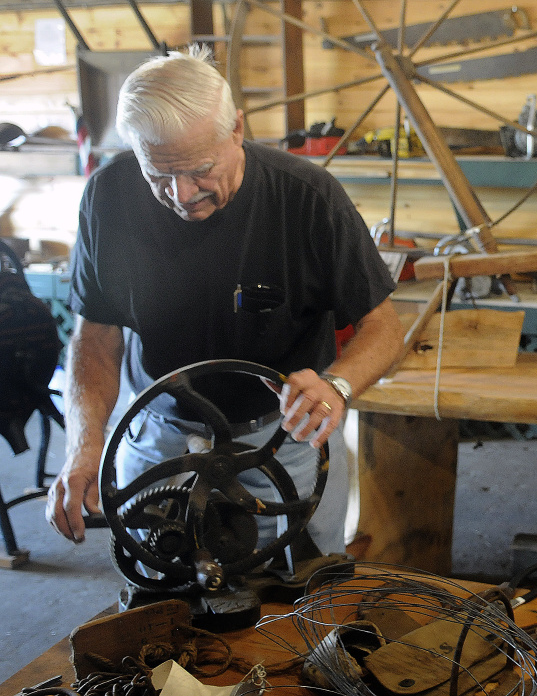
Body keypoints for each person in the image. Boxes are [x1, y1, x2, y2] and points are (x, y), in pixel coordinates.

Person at [46, 45, 405, 557]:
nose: (182, 194)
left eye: (199, 169)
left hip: (284, 439)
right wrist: (84, 447)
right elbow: (96, 337)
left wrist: (337, 385)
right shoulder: (109, 197)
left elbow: (384, 328)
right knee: (159, 592)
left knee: (305, 597)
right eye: (159, 175)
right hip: (158, 434)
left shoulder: (307, 198)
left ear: (237, 128)